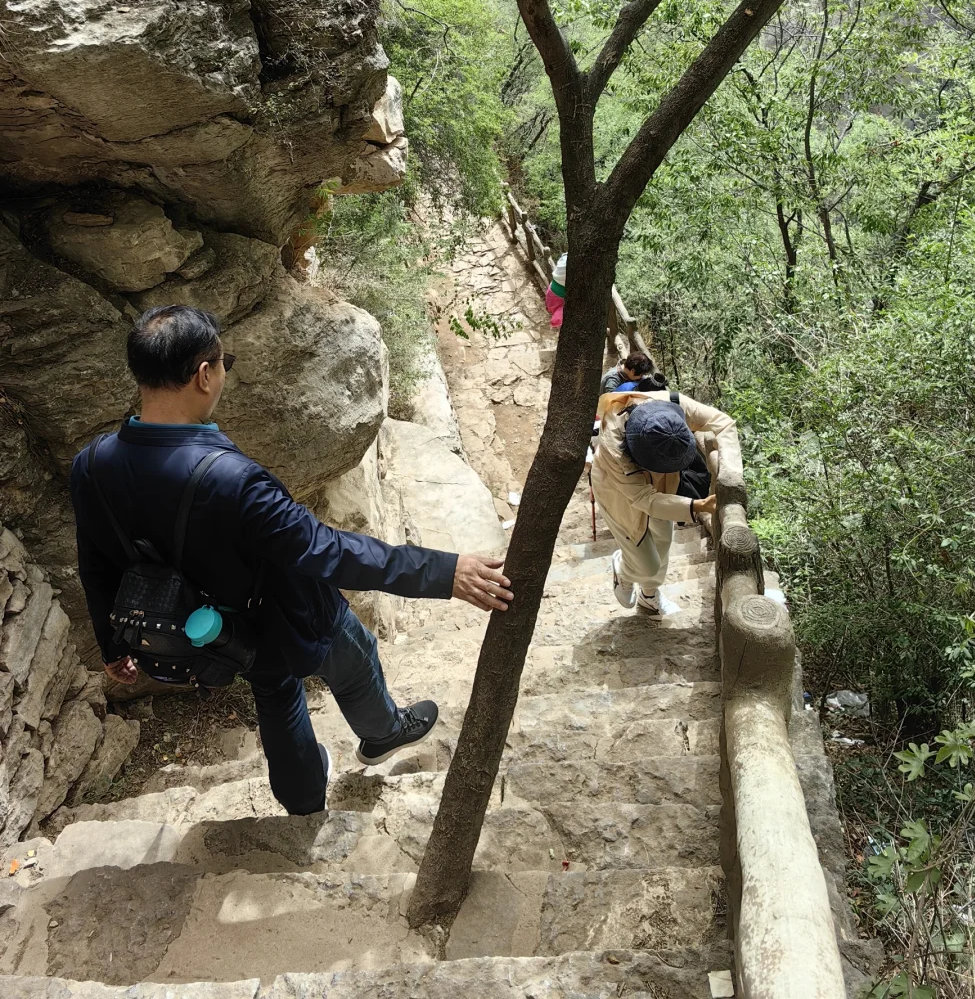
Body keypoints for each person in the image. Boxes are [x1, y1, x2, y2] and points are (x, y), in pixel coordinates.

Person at [71, 305, 513, 816]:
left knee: (276, 696)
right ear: (204, 374)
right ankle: (384, 732)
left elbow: (95, 564)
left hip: (215, 634)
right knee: (355, 658)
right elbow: (327, 550)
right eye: (224, 364)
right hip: (289, 614)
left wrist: (113, 644)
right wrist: (445, 572)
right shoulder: (232, 481)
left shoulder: (92, 464)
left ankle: (303, 803)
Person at [591, 389, 740, 617]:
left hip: (663, 481)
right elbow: (644, 498)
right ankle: (623, 570)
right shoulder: (615, 446)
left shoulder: (672, 406)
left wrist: (731, 474)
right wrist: (698, 506)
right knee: (646, 563)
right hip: (617, 491)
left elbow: (724, 424)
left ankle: (649, 595)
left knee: (663, 539)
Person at [545, 252, 567, 329]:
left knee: (555, 310)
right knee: (558, 317)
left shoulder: (565, 258)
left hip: (551, 290)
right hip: (560, 297)